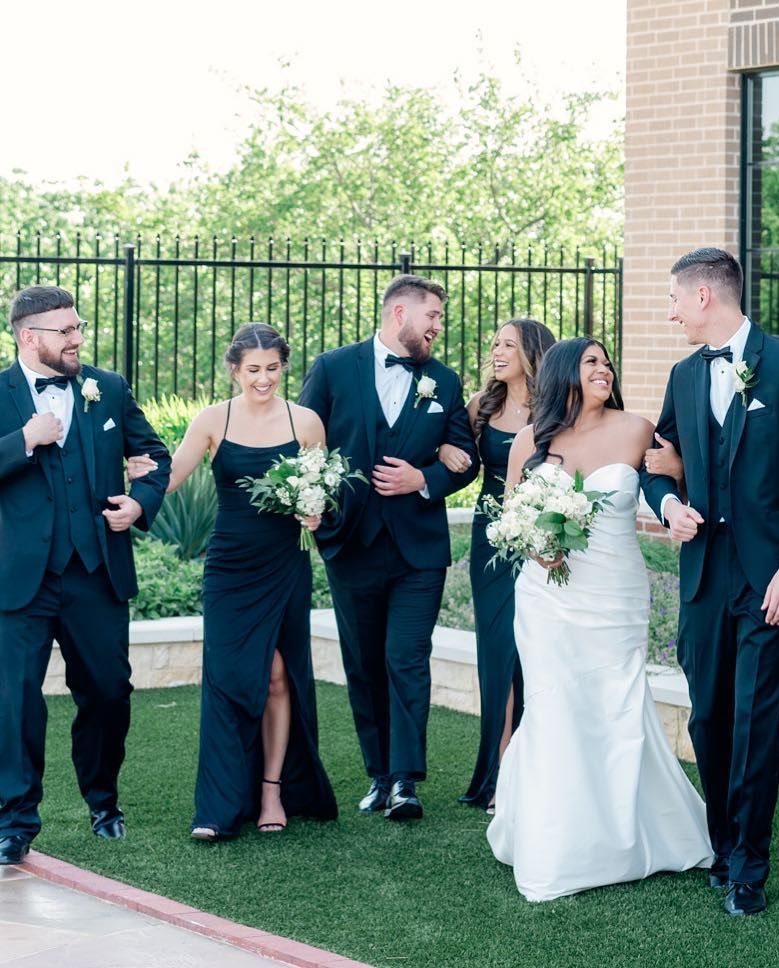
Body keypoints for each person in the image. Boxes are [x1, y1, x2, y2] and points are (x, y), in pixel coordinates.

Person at [639, 247, 779, 917]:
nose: (668, 313)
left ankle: (749, 863)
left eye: (671, 299)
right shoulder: (684, 376)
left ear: (703, 297)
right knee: (710, 716)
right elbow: (655, 463)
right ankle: (722, 845)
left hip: (770, 576)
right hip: (703, 576)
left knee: (754, 720)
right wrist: (666, 504)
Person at [487, 337, 712, 900]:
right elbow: (515, 516)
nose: (604, 369)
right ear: (565, 372)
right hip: (547, 598)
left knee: (616, 703)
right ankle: (558, 845)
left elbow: (673, 477)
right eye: (592, 362)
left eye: (608, 361)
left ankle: (626, 836)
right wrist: (539, 547)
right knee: (555, 704)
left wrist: (678, 475)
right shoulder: (528, 442)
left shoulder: (636, 428)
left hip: (616, 591)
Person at [129, 324, 338, 840]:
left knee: (278, 676)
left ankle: (272, 791)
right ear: (234, 370)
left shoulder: (306, 422)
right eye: (252, 370)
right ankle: (218, 808)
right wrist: (133, 481)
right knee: (229, 679)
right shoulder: (212, 419)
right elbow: (171, 474)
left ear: (283, 367)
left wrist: (317, 512)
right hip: (229, 567)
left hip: (284, 563)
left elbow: (323, 489)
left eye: (271, 369)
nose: (262, 379)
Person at [0, 285, 170, 865]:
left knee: (107, 691)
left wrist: (140, 502)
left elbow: (155, 455)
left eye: (79, 327)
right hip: (19, 578)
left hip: (95, 571)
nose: (77, 338)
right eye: (65, 330)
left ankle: (104, 802)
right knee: (15, 699)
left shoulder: (108, 389)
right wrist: (23, 439)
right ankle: (16, 820)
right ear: (29, 336)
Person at [299, 275, 478, 821]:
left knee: (406, 658)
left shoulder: (445, 382)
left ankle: (405, 781)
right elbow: (306, 441)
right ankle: (377, 774)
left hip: (418, 549)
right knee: (364, 663)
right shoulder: (333, 369)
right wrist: (317, 509)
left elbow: (465, 458)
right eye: (432, 318)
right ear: (399, 312)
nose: (437, 328)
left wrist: (423, 479)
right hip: (350, 541)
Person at [451, 318, 555, 813]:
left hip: (544, 535)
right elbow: (460, 463)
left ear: (532, 352)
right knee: (497, 651)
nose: (496, 351)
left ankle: (535, 768)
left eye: (507, 344)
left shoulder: (559, 406)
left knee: (533, 650)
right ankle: (497, 770)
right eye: (494, 343)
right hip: (493, 536)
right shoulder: (481, 405)